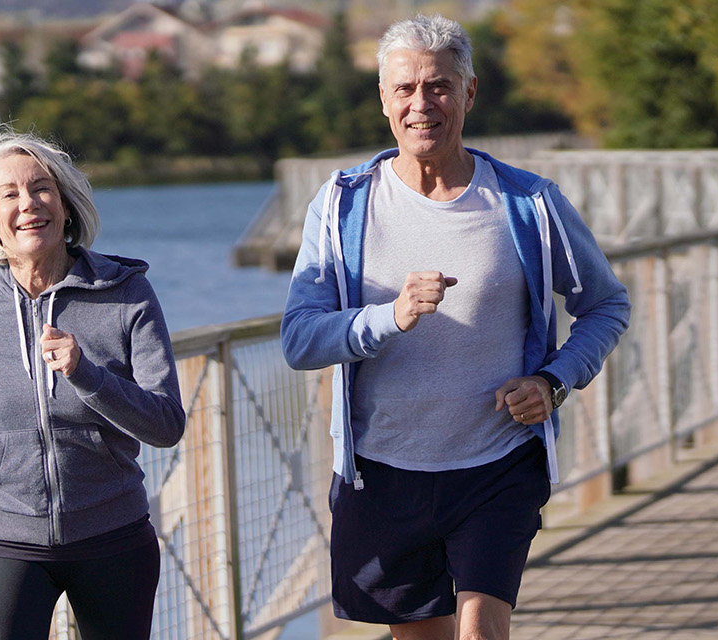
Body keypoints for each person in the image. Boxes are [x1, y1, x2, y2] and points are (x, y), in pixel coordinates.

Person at [279, 15, 631, 640]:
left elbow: (605, 305)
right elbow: (300, 339)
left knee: (480, 632)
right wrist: (390, 317)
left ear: (469, 93)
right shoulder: (341, 205)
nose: (422, 104)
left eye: (439, 86)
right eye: (405, 89)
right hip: (382, 473)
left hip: (495, 467)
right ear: (383, 99)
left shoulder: (529, 204)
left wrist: (553, 382)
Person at [0, 128, 186, 640]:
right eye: (10, 194)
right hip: (3, 536)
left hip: (112, 536)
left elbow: (167, 424)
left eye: (41, 188)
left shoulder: (126, 293)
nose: (29, 204)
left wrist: (88, 376)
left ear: (65, 207)